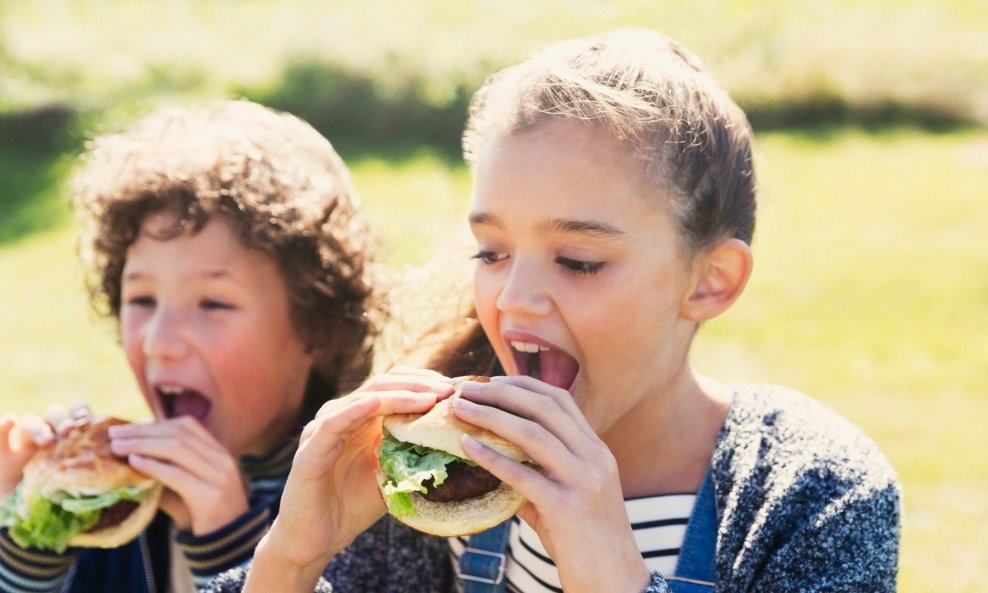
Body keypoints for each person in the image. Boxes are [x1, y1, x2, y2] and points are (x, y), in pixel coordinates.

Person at [205, 28, 901, 593]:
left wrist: (610, 571)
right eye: (491, 252)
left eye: (578, 261)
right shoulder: (436, 478)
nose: (512, 299)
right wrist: (290, 559)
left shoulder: (814, 493)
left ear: (710, 281)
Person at [0, 99, 384, 593]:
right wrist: (31, 533)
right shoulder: (116, 510)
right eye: (140, 299)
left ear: (320, 330)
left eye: (212, 304)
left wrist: (231, 546)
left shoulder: (358, 502)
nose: (159, 343)